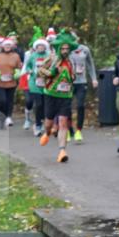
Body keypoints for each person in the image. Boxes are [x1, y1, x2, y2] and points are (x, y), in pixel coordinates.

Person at [41, 32, 78, 162]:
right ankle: (47, 133)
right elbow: (40, 71)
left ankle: (62, 151)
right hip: (51, 94)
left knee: (63, 122)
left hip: (66, 95)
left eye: (67, 49)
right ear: (58, 49)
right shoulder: (52, 59)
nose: (65, 51)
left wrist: (72, 77)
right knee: (48, 123)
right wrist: (52, 72)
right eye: (62, 49)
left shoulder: (71, 61)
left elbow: (73, 76)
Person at [67, 30, 97, 143]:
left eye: (73, 38)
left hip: (81, 82)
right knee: (67, 107)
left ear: (77, 39)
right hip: (68, 83)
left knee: (80, 106)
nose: (72, 41)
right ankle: (69, 130)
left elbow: (90, 64)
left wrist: (94, 78)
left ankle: (79, 131)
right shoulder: (65, 50)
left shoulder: (85, 49)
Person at [23, 35, 51, 137]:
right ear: (36, 47)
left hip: (46, 83)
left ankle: (42, 121)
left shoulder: (49, 55)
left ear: (45, 47)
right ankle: (38, 125)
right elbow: (27, 66)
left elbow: (52, 66)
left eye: (42, 46)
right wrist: (30, 71)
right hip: (35, 83)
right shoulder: (33, 56)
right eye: (39, 46)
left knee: (45, 105)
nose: (40, 48)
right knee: (38, 104)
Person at [0, 36, 23, 129]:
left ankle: (8, 117)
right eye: (6, 45)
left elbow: (19, 66)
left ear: (12, 46)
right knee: (2, 101)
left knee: (10, 100)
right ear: (3, 46)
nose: (7, 47)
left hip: (11, 82)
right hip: (0, 82)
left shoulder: (16, 56)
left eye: (9, 45)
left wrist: (17, 73)